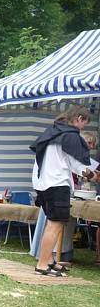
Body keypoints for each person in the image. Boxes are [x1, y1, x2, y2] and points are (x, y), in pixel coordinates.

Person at [30, 105, 98, 276]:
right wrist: (93, 175)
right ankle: (42, 265)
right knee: (55, 224)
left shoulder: (53, 132)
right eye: (84, 123)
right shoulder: (70, 135)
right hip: (57, 183)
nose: (83, 128)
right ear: (79, 119)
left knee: (51, 223)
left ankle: (50, 261)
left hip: (42, 183)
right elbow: (77, 165)